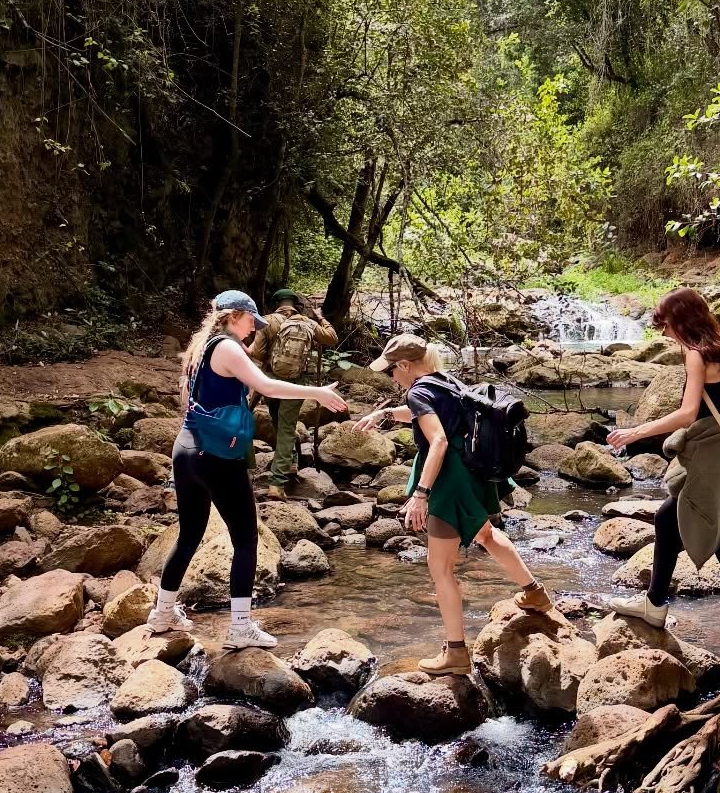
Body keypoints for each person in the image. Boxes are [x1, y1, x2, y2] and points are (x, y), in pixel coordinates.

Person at [147, 290, 349, 649]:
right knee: (245, 538)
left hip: (187, 449)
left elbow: (187, 401)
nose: (253, 330)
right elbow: (265, 386)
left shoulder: (200, 348)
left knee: (190, 534)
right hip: (216, 456)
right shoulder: (226, 347)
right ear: (236, 315)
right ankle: (240, 628)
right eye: (251, 323)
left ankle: (163, 613)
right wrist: (315, 392)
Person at [606, 288, 720, 683]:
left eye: (666, 324)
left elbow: (688, 413)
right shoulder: (718, 347)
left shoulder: (695, 354)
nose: (665, 332)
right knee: (667, 519)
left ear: (680, 320)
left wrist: (636, 432)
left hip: (715, 463)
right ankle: (654, 604)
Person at [357, 334, 552, 676]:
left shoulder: (417, 389)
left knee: (439, 567)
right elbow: (427, 413)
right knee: (487, 535)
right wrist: (386, 414)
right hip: (473, 472)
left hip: (449, 481)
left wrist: (420, 494)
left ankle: (456, 653)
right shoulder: (444, 381)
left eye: (392, 370)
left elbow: (438, 440)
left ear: (404, 365)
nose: (391, 376)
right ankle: (534, 592)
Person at [252, 288, 339, 488]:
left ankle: (286, 467)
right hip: (296, 384)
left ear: (276, 303)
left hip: (271, 382)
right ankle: (279, 480)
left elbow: (257, 352)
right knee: (287, 428)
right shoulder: (307, 322)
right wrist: (321, 318)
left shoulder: (267, 321)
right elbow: (332, 338)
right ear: (295, 304)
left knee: (276, 420)